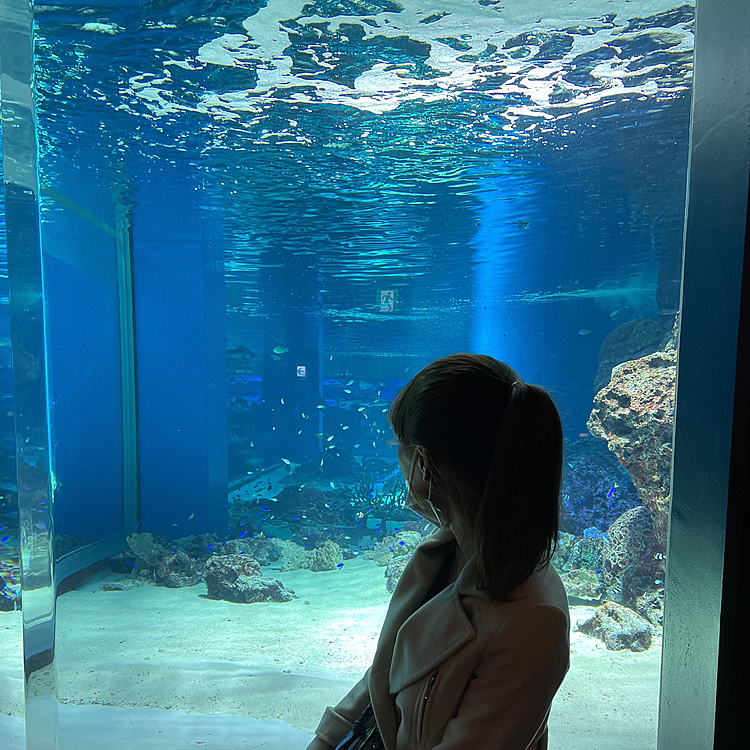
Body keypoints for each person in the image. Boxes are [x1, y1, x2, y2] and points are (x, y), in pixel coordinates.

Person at [306, 353, 570, 750]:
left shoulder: (532, 622)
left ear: (424, 464)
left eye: (400, 445)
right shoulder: (445, 550)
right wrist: (326, 741)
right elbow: (385, 674)